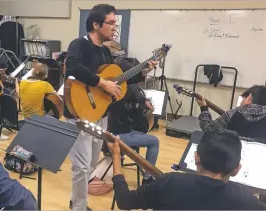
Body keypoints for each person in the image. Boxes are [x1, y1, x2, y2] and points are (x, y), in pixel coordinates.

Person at [64, 4, 156, 210]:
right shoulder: (78, 44)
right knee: (80, 166)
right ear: (96, 24)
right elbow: (72, 67)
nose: (115, 28)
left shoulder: (105, 52)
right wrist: (101, 82)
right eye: (111, 23)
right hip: (79, 112)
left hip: (100, 113)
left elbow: (118, 80)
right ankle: (78, 206)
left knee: (89, 164)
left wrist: (143, 72)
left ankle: (76, 199)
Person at [107, 130, 266, 210]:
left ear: (196, 158)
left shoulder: (169, 182)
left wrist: (116, 155)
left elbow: (124, 201)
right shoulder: (249, 202)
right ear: (236, 169)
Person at [108, 84, 159, 185]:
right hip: (118, 137)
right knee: (154, 141)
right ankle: (148, 178)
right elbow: (145, 129)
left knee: (148, 139)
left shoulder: (115, 101)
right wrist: (150, 112)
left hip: (111, 134)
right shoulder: (131, 107)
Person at [197, 85, 266, 142]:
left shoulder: (234, 113)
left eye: (243, 98)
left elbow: (209, 130)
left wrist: (204, 108)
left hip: (230, 157)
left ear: (249, 97)